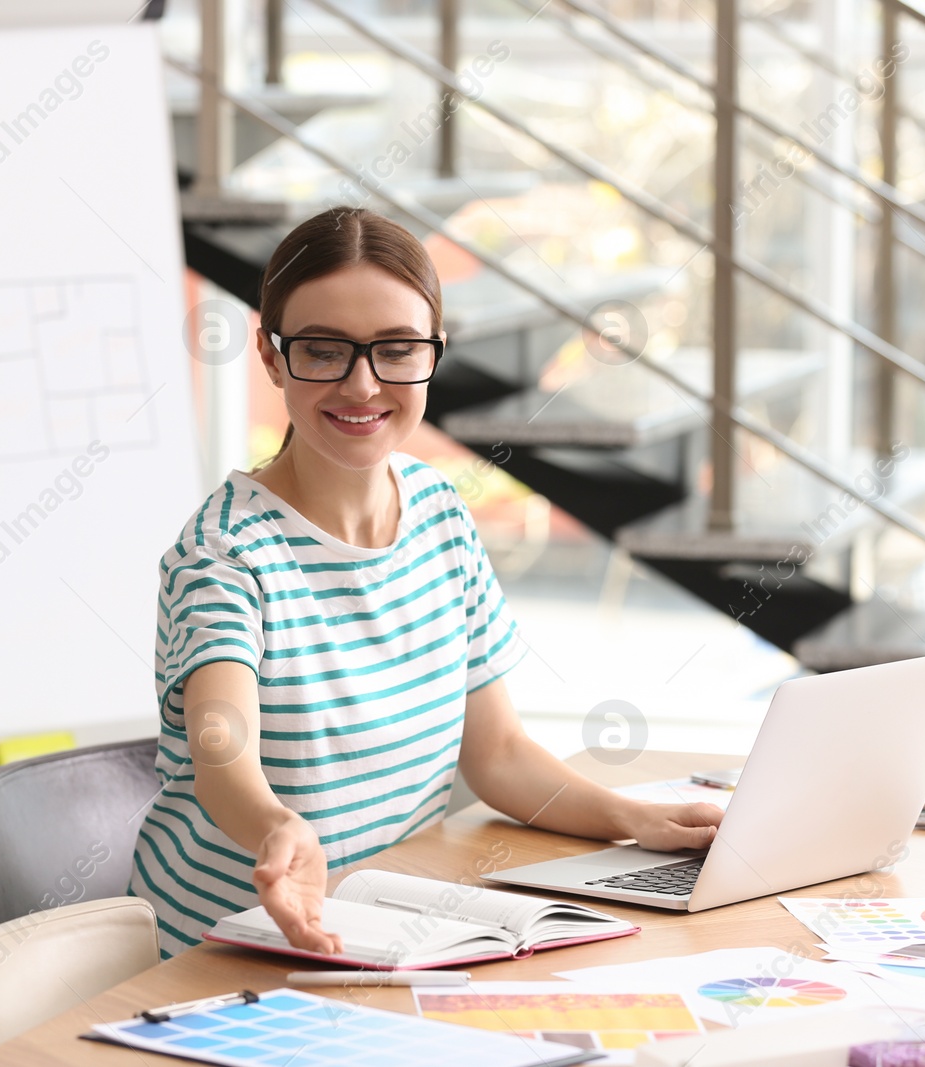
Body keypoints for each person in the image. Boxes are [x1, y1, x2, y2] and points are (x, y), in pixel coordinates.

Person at [127, 206, 722, 958]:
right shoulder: (224, 551)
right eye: (323, 349)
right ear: (273, 358)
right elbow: (220, 743)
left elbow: (497, 753)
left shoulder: (440, 512)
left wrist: (634, 819)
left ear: (433, 354)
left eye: (397, 350)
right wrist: (275, 826)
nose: (362, 383)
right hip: (229, 951)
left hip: (389, 929)